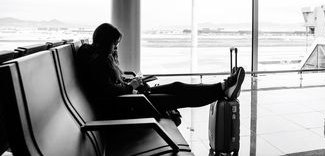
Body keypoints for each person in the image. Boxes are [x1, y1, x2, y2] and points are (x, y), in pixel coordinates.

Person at [77, 23, 245, 120]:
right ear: (106, 42)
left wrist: (130, 84)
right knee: (176, 98)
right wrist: (130, 86)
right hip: (125, 106)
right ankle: (223, 90)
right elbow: (107, 92)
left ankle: (222, 86)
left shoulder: (98, 58)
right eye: (114, 44)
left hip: (129, 99)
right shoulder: (97, 62)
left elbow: (108, 86)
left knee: (177, 86)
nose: (115, 48)